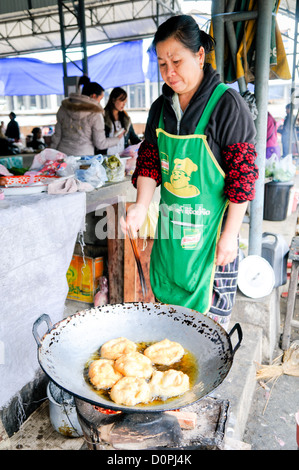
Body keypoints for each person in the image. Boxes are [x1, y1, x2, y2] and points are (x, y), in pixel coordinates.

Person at [120, 15, 259, 330]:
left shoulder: (227, 105)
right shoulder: (160, 108)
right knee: (167, 325)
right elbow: (150, 161)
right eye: (162, 64)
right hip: (172, 236)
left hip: (212, 240)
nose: (170, 72)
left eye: (177, 61)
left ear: (199, 56)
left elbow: (243, 178)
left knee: (206, 334)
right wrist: (141, 206)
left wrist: (230, 236)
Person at [51, 77, 124, 156]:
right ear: (93, 96)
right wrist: (117, 139)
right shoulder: (95, 113)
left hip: (63, 155)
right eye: (100, 99)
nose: (99, 102)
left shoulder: (64, 108)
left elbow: (57, 137)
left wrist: (50, 154)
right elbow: (100, 143)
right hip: (84, 158)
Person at [100, 87, 141, 155]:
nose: (124, 104)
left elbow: (133, 138)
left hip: (122, 157)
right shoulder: (102, 117)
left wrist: (145, 144)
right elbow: (99, 141)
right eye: (122, 100)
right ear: (113, 100)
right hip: (105, 157)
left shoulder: (126, 119)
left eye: (125, 102)